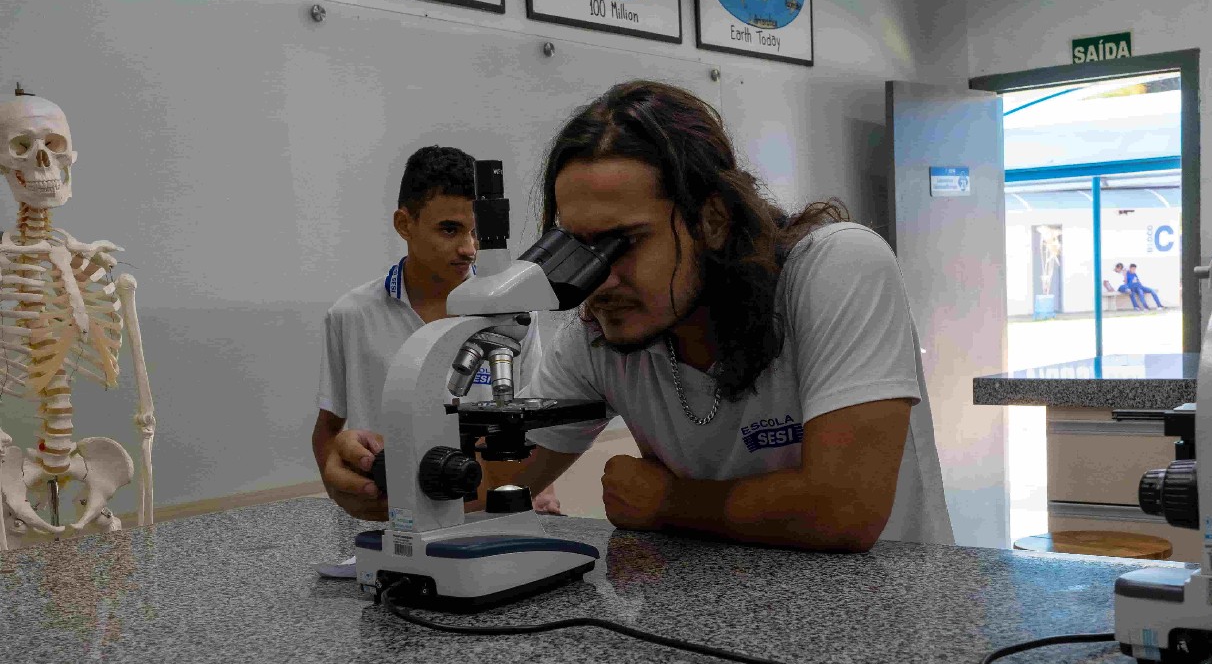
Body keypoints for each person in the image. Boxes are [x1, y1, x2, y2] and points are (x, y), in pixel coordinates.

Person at [324, 81, 953, 552]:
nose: (601, 279)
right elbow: (493, 484)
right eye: (576, 247)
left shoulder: (833, 267)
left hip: (884, 624)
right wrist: (385, 479)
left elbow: (844, 509)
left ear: (710, 220)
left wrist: (671, 502)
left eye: (623, 243)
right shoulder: (593, 329)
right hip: (731, 632)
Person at [313, 145, 560, 518]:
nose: (468, 249)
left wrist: (542, 491)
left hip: (490, 509)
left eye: (477, 233)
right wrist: (345, 489)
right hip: (392, 516)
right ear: (404, 223)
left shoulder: (512, 314)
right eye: (450, 229)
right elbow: (328, 429)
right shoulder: (352, 314)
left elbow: (533, 418)